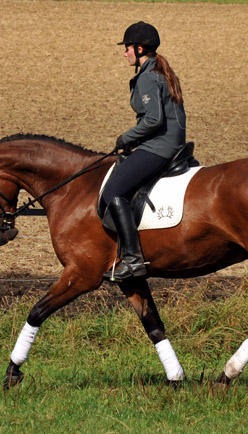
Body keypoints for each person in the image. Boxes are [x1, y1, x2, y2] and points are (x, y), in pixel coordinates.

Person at [102, 21, 187, 281]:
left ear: (139, 49)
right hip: (170, 144)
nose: (125, 53)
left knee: (113, 191)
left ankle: (132, 259)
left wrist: (125, 137)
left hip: (158, 147)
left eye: (127, 48)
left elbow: (153, 120)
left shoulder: (149, 77)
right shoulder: (160, 72)